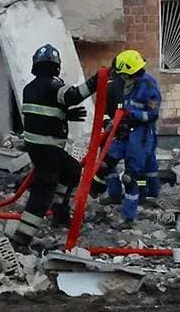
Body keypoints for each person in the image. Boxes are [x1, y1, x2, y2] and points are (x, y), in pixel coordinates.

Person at [15, 43, 104, 246]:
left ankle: (60, 211)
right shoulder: (55, 86)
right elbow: (73, 95)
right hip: (49, 150)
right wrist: (95, 81)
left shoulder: (30, 88)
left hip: (37, 148)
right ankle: (21, 239)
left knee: (72, 170)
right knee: (41, 193)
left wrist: (65, 114)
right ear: (56, 66)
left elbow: (43, 114)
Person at [103, 49, 162, 222]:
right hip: (123, 132)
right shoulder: (123, 84)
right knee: (105, 164)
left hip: (141, 135)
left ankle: (129, 218)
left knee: (130, 178)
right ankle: (114, 194)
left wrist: (132, 115)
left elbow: (153, 115)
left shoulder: (149, 87)